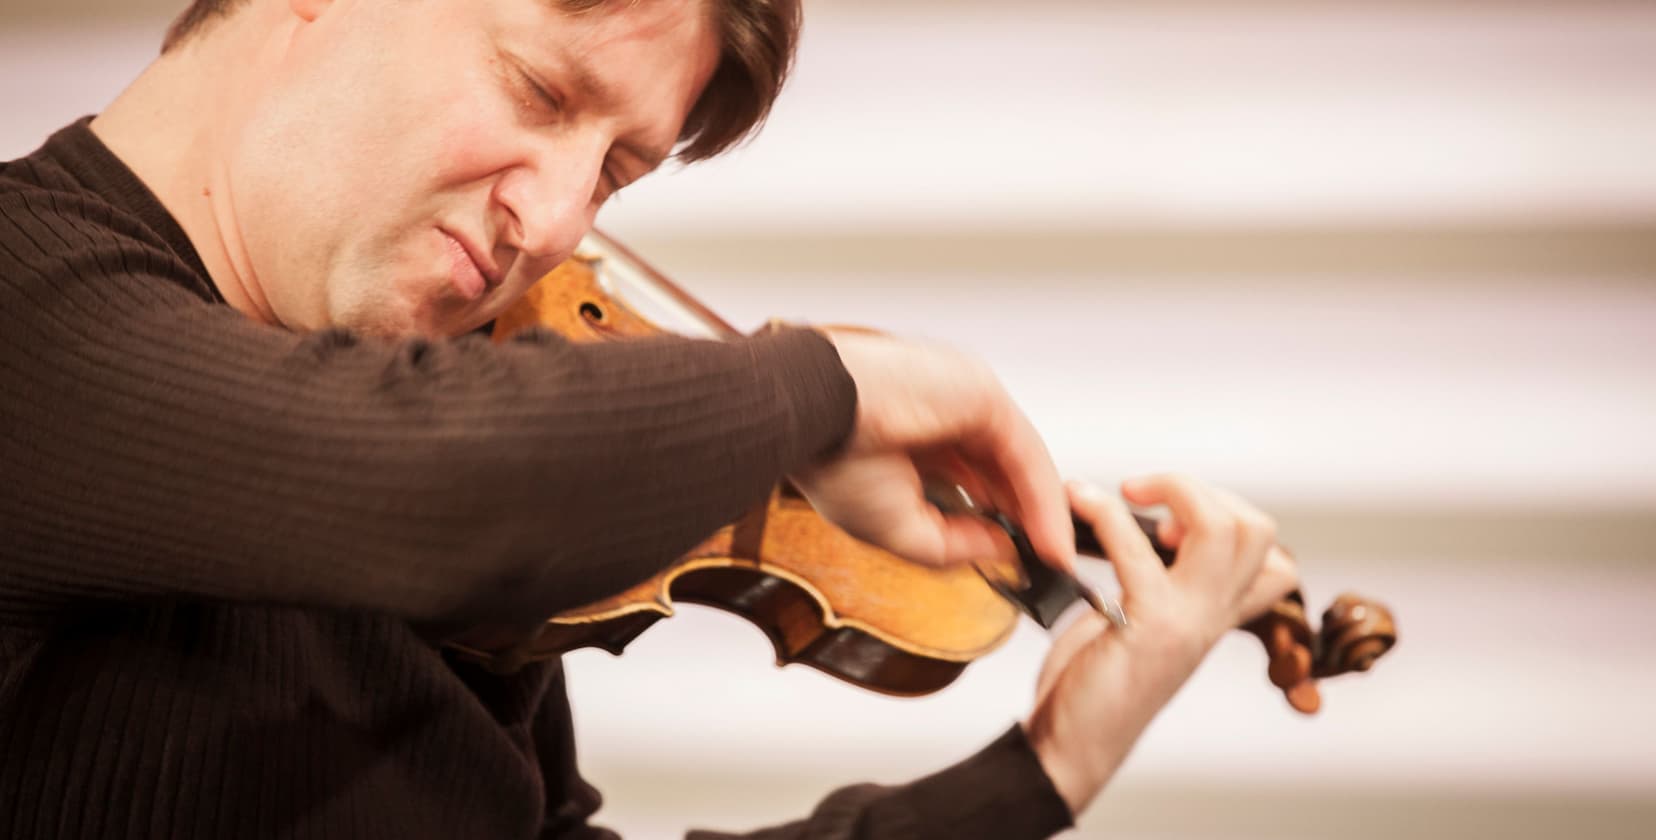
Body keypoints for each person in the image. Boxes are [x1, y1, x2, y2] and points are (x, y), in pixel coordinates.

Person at [0, 0, 1298, 836]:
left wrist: (1046, 768)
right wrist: (823, 386)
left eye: (616, 174)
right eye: (541, 92)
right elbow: (433, 489)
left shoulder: (456, 449)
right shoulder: (26, 294)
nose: (560, 224)